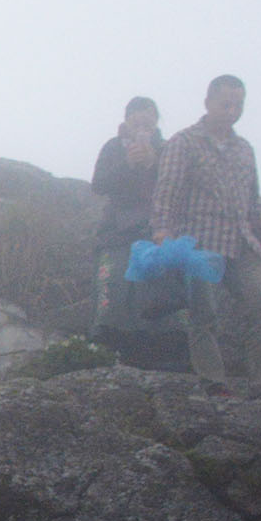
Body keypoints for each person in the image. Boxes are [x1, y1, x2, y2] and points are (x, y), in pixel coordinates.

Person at [151, 75, 261, 390]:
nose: (233, 111)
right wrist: (163, 231)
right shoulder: (183, 142)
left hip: (242, 240)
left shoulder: (244, 149)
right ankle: (212, 380)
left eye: (239, 105)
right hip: (199, 239)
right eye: (226, 104)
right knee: (204, 314)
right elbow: (167, 191)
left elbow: (253, 200)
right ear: (208, 103)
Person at [89, 98, 164, 341]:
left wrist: (154, 163)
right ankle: (108, 341)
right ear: (126, 122)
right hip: (117, 230)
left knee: (156, 291)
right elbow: (99, 184)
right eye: (136, 122)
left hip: (157, 229)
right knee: (114, 285)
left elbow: (180, 186)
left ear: (156, 122)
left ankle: (161, 345)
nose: (142, 128)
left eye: (147, 122)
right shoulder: (113, 147)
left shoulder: (168, 149)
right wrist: (127, 164)